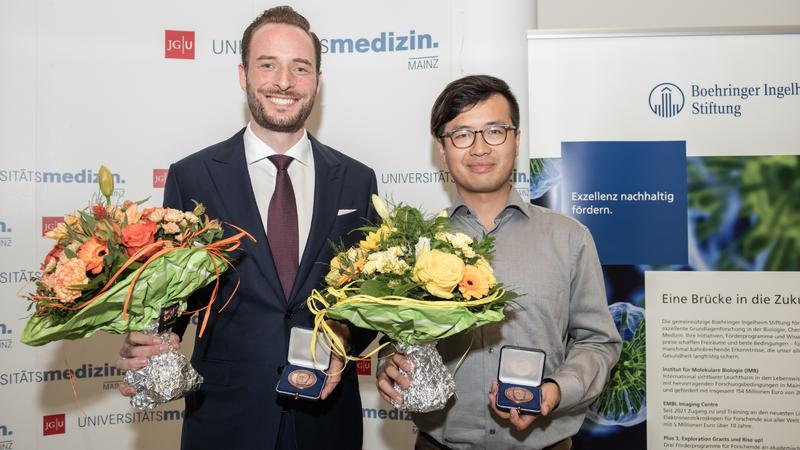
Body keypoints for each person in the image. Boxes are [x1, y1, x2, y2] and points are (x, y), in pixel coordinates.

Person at [116, 6, 377, 450]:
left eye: (300, 67)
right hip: (225, 420)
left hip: (327, 421)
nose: (283, 81)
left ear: (317, 79)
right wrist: (153, 340)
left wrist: (345, 336)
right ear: (243, 74)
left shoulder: (357, 179)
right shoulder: (193, 176)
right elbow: (174, 297)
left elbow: (370, 299)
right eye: (267, 65)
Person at [376, 75, 622, 450]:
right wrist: (388, 365)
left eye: (494, 131)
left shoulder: (569, 238)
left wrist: (555, 390)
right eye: (461, 134)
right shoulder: (413, 245)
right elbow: (394, 339)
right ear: (442, 149)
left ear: (516, 139)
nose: (478, 148)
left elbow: (599, 342)